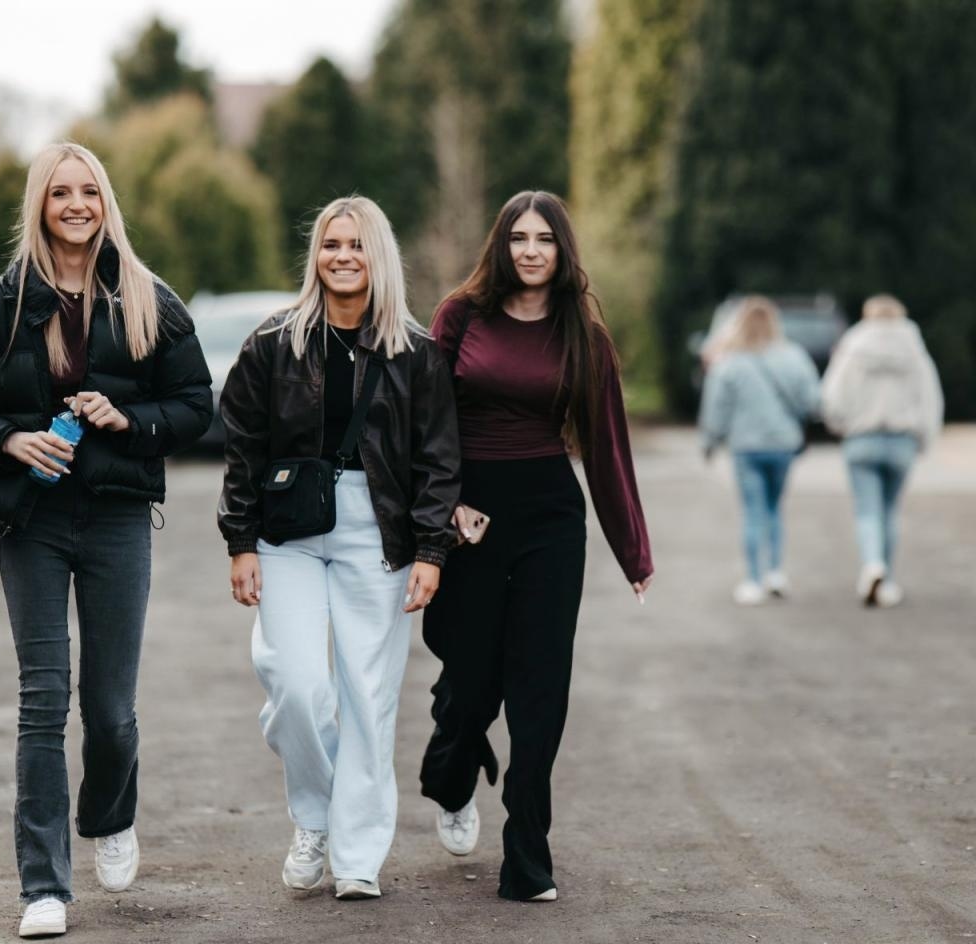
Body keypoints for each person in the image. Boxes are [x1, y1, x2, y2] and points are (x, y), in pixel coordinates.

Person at [0, 142, 213, 938]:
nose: (75, 204)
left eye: (88, 190)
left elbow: (196, 403)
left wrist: (132, 420)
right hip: (32, 522)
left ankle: (112, 814)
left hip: (119, 518)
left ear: (105, 201)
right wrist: (9, 441)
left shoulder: (146, 299)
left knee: (112, 709)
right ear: (40, 205)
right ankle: (43, 887)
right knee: (43, 700)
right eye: (60, 192)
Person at [218, 196, 460, 901]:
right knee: (297, 684)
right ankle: (315, 816)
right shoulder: (273, 343)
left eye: (356, 244)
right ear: (315, 256)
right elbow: (243, 447)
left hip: (378, 529)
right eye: (330, 243)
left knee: (368, 693)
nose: (343, 255)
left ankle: (356, 856)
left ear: (378, 255)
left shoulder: (416, 353)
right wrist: (240, 540)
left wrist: (431, 550)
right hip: (288, 530)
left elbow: (439, 458)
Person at [418, 190, 653, 903]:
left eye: (544, 239)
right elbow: (425, 423)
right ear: (500, 245)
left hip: (550, 516)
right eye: (518, 237)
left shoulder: (583, 335)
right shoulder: (460, 317)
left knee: (540, 688)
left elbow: (608, 447)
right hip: (471, 516)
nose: (529, 249)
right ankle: (450, 772)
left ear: (562, 251)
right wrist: (448, 505)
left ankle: (527, 853)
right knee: (472, 680)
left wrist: (633, 550)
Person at [820, 294, 943, 607]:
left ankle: (871, 563)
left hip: (861, 438)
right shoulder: (914, 350)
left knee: (866, 510)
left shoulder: (854, 347)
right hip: (901, 439)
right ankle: (885, 579)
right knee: (889, 511)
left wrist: (839, 425)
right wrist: (926, 436)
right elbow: (930, 397)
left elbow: (833, 394)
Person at [697, 297, 819, 605]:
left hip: (746, 447)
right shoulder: (794, 356)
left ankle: (752, 581)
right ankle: (775, 573)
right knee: (774, 509)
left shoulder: (729, 362)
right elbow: (812, 401)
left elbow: (716, 408)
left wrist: (710, 441)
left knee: (752, 511)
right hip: (783, 445)